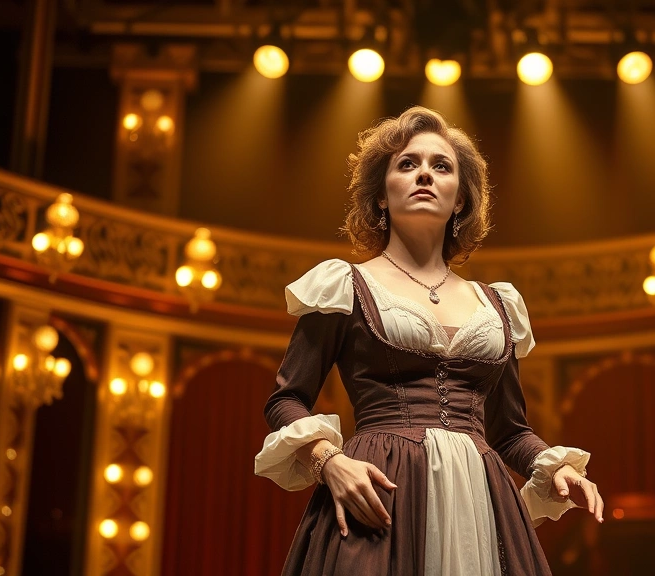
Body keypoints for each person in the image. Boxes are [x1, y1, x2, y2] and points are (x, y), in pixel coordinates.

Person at [254, 106, 602, 575]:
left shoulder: (497, 303)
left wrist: (553, 465)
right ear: (380, 195)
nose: (425, 174)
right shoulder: (344, 286)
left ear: (460, 199)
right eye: (407, 163)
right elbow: (286, 400)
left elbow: (509, 431)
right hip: (379, 490)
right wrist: (329, 462)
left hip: (481, 501)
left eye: (441, 166)